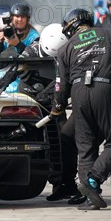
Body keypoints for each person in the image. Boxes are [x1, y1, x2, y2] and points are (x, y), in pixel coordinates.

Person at [51, 8, 111, 210]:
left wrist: (58, 107)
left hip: (79, 93)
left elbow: (60, 85)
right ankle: (93, 180)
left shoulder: (65, 49)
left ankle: (92, 197)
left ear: (72, 25)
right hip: (106, 89)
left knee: (86, 148)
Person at [14, 23, 82, 203]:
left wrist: (53, 97)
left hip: (54, 100)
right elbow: (15, 73)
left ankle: (64, 184)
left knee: (64, 140)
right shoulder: (30, 52)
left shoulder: (69, 51)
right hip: (30, 100)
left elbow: (67, 81)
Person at [0, 3, 39, 92]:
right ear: (12, 17)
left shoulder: (34, 36)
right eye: (17, 16)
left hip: (23, 85)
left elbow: (33, 61)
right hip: (5, 86)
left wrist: (18, 44)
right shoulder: (5, 31)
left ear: (27, 19)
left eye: (23, 17)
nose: (20, 19)